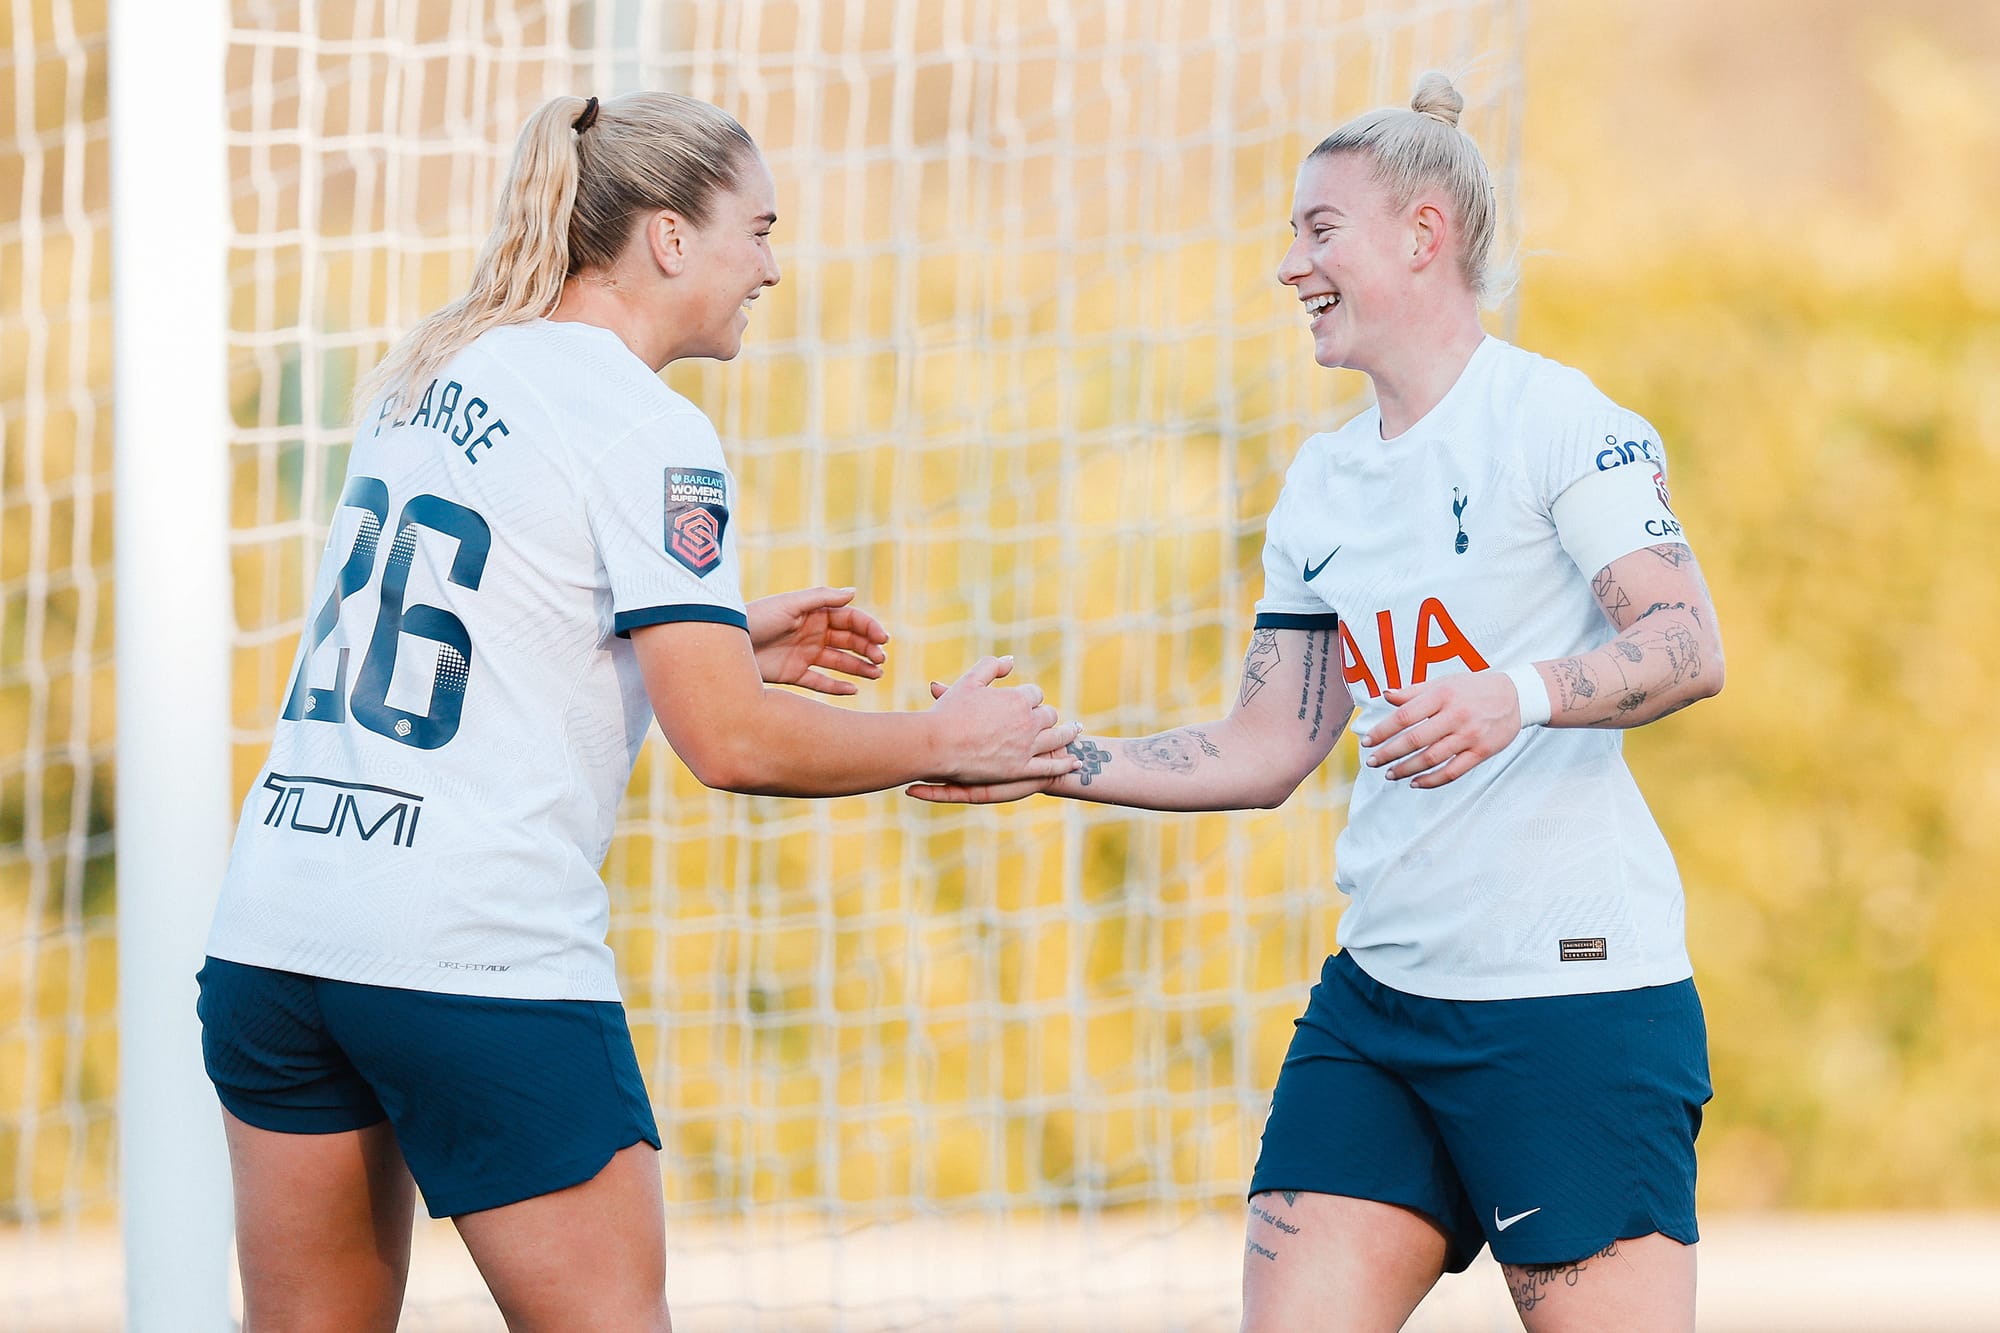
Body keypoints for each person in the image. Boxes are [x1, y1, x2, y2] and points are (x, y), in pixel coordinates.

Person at [197, 92, 1079, 1332]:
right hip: (467, 953)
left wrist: (692, 638)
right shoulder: (649, 425)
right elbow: (730, 742)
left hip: (277, 931)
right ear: (668, 239)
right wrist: (946, 738)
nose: (771, 265)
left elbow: (488, 617)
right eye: (757, 229)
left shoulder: (431, 371)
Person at [911, 72, 1725, 1332]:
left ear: (1421, 235)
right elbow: (1267, 742)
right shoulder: (1321, 484)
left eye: (1316, 228)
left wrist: (1515, 695)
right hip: (1379, 1008)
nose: (1286, 263)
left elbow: (1684, 640)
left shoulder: (1559, 419)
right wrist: (1052, 757)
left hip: (1570, 1009)